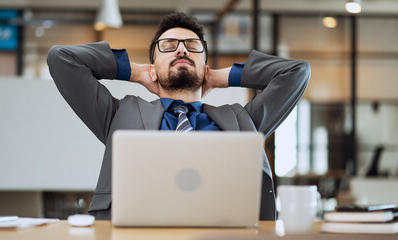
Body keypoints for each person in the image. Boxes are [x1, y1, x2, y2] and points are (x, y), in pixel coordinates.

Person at [47, 12, 310, 220]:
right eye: (168, 46)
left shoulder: (242, 120)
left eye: (192, 46)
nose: (181, 50)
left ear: (205, 66)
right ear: (153, 66)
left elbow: (297, 72)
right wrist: (137, 72)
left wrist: (222, 77)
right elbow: (62, 58)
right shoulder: (119, 114)